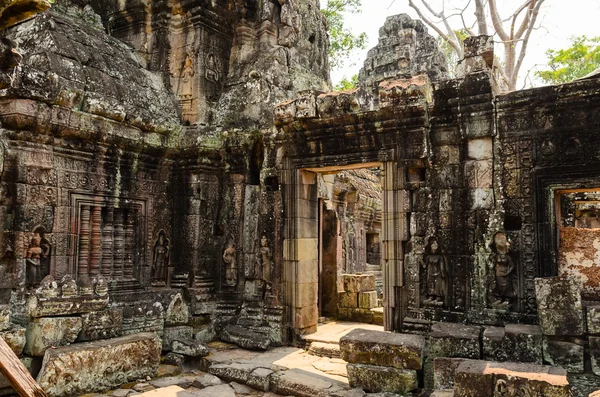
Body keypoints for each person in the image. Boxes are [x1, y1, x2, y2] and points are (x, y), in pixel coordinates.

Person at [421, 237, 448, 305]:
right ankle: (431, 295)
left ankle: (438, 296)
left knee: (438, 286)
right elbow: (425, 266)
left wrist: (443, 273)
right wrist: (420, 260)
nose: (434, 248)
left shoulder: (440, 257)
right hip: (429, 273)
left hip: (438, 273)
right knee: (430, 285)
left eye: (436, 246)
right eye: (432, 246)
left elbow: (442, 267)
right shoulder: (428, 257)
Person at [491, 232, 516, 305]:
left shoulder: (508, 257)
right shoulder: (497, 256)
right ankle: (499, 298)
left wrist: (508, 272)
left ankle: (507, 299)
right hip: (498, 273)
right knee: (499, 286)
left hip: (506, 273)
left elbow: (512, 266)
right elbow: (494, 264)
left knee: (506, 287)